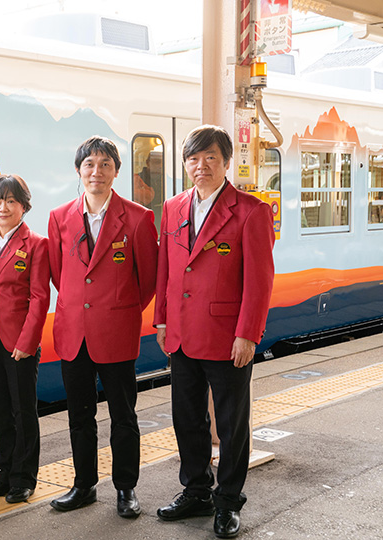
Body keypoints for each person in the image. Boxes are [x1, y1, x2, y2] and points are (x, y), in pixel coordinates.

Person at [153, 125, 275, 539]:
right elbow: (167, 269)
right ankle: (196, 492)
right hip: (181, 334)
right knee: (186, 418)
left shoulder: (251, 211)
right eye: (193, 158)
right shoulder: (173, 207)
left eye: (210, 158)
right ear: (185, 164)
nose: (200, 166)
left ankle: (227, 502)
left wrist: (249, 334)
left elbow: (259, 281)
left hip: (228, 337)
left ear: (226, 163)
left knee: (231, 424)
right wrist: (162, 320)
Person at [47, 136, 158, 519]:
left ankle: (126, 488)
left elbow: (148, 280)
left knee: (123, 416)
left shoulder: (138, 218)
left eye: (105, 164)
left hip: (117, 332)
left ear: (116, 171)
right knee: (80, 416)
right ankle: (84, 485)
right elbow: (59, 274)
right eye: (90, 164)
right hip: (73, 333)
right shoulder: (59, 217)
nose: (97, 171)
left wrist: (118, 310)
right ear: (79, 170)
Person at [0, 174, 50, 504]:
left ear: (24, 206)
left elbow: (40, 298)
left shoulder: (37, 244)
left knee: (23, 410)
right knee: (0, 409)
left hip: (19, 341)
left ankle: (24, 477)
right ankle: (4, 472)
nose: (2, 207)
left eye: (10, 201)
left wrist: (27, 341)